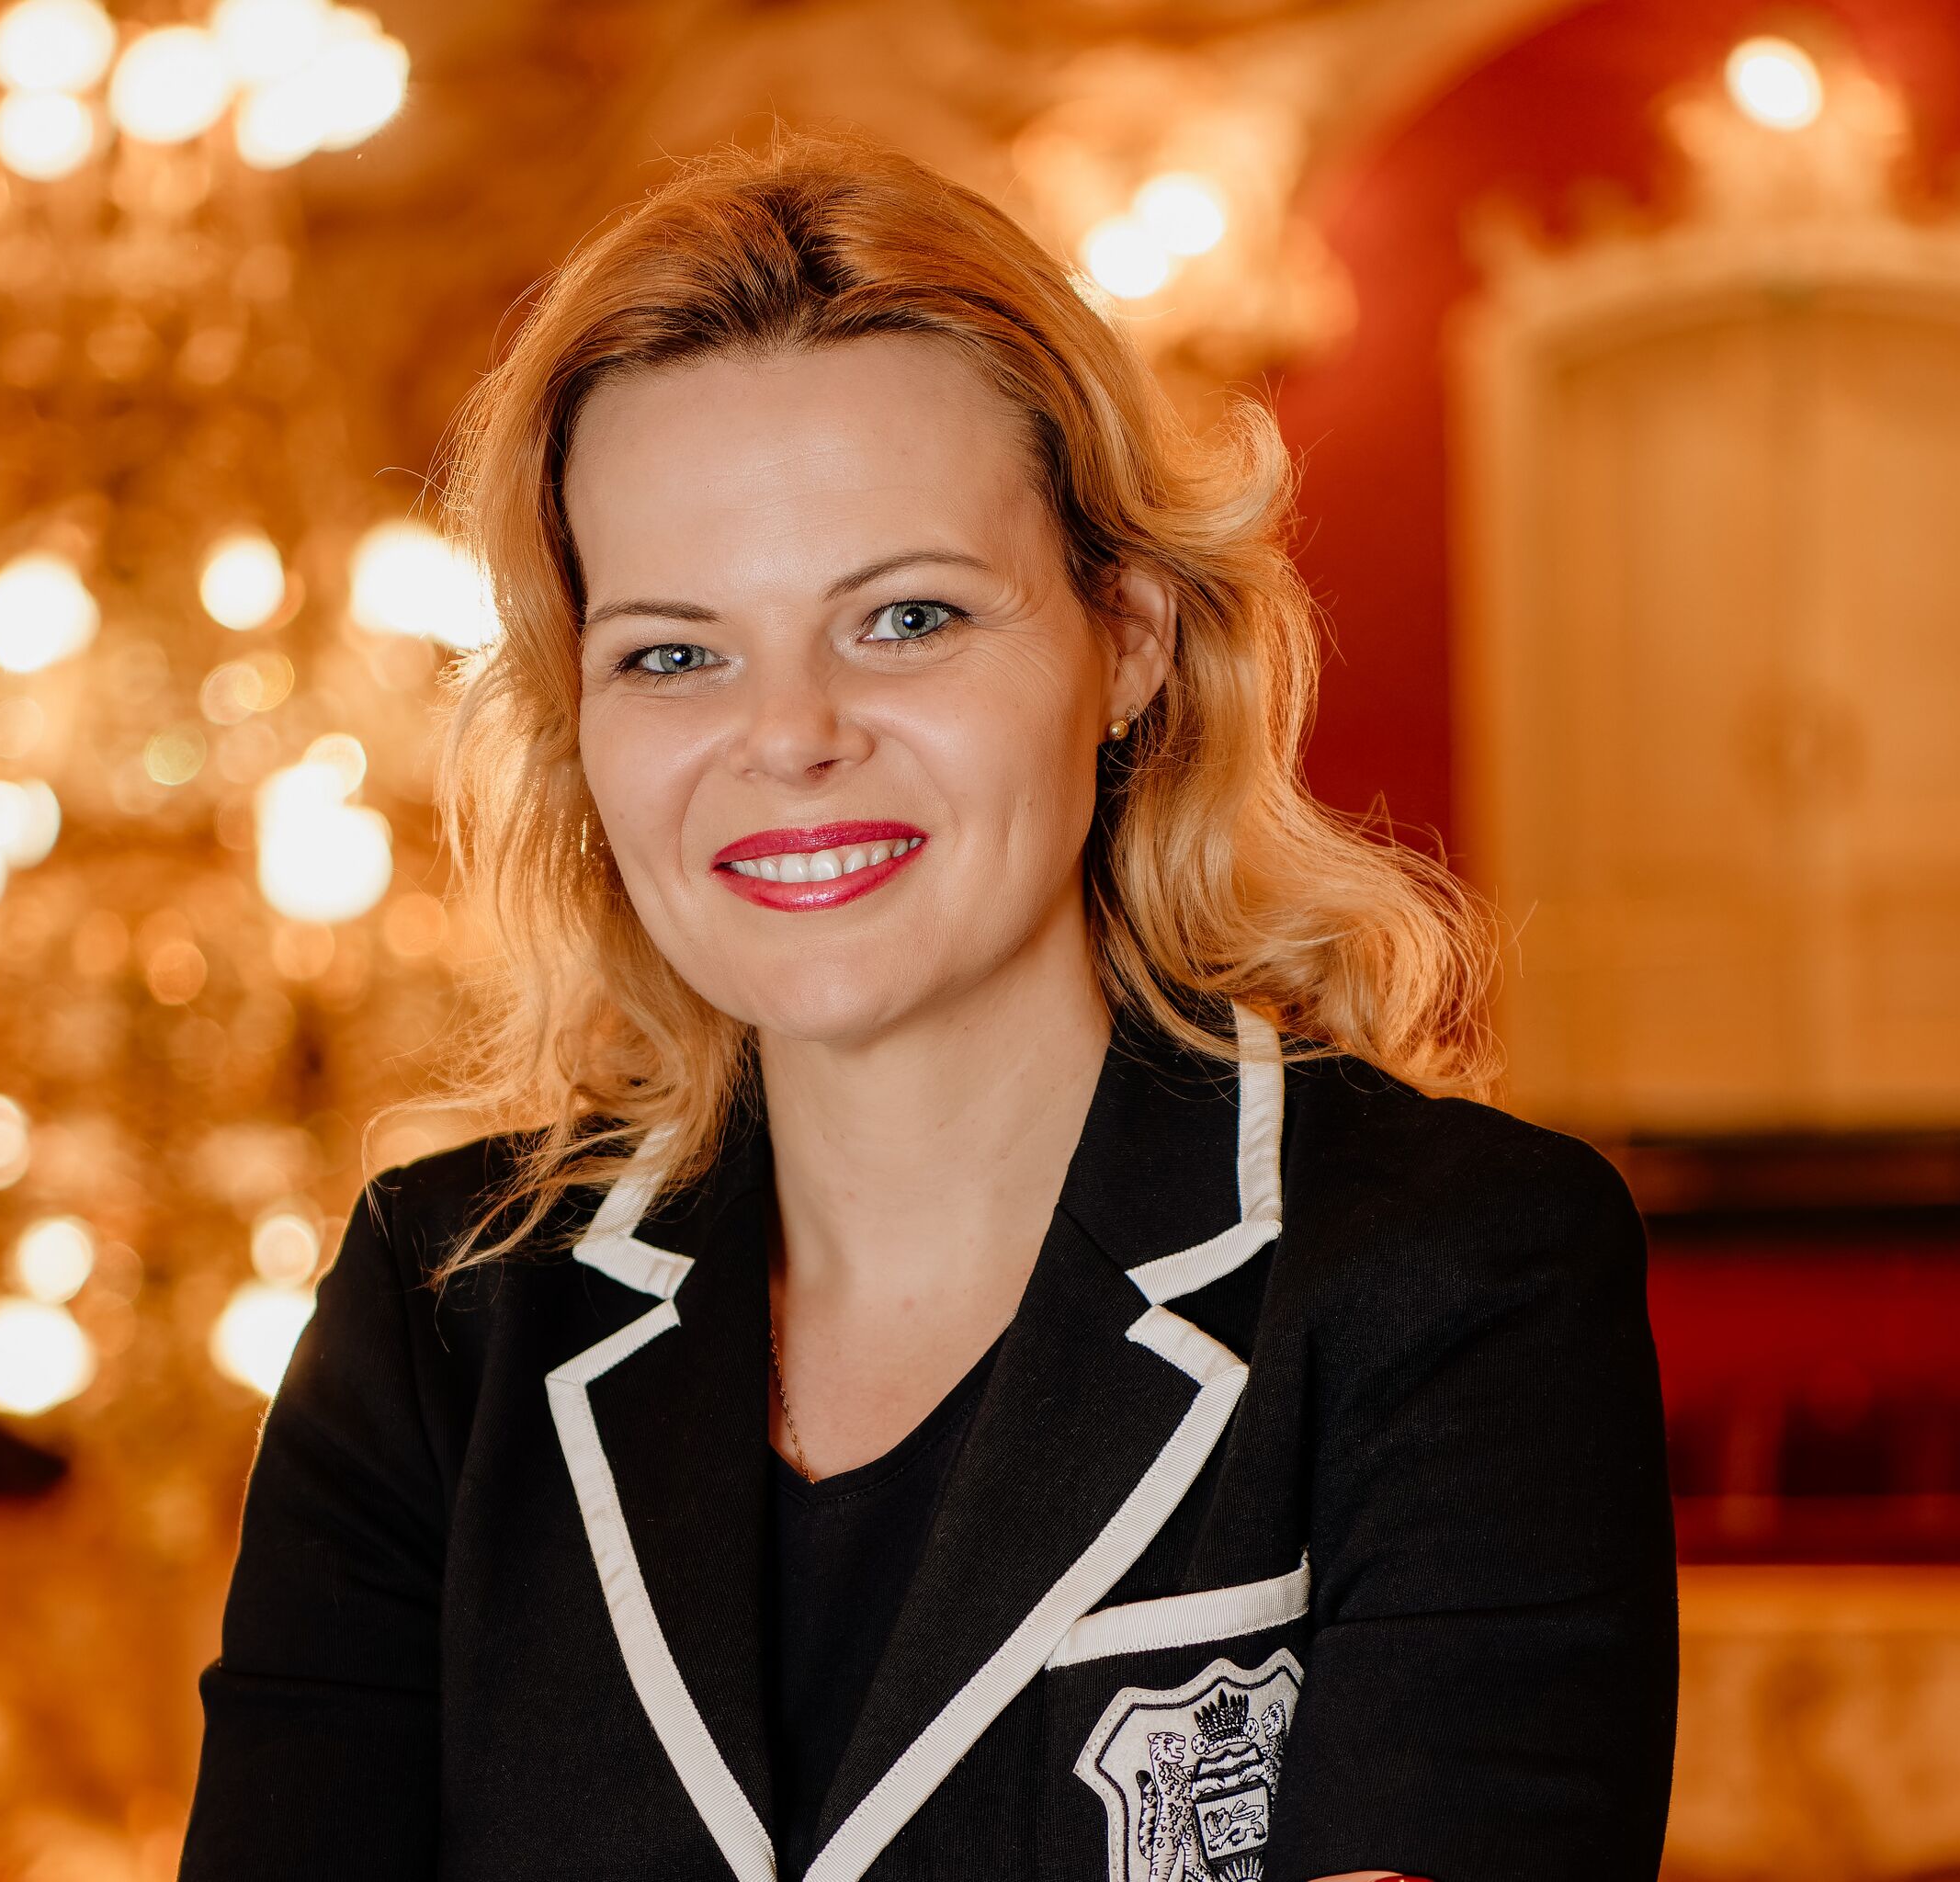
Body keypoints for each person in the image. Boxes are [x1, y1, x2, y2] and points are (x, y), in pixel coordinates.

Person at [177, 128, 1677, 1882]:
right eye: (673, 652)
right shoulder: (442, 1316)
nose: (789, 735)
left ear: (1127, 641)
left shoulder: (1455, 1274)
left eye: (905, 619)